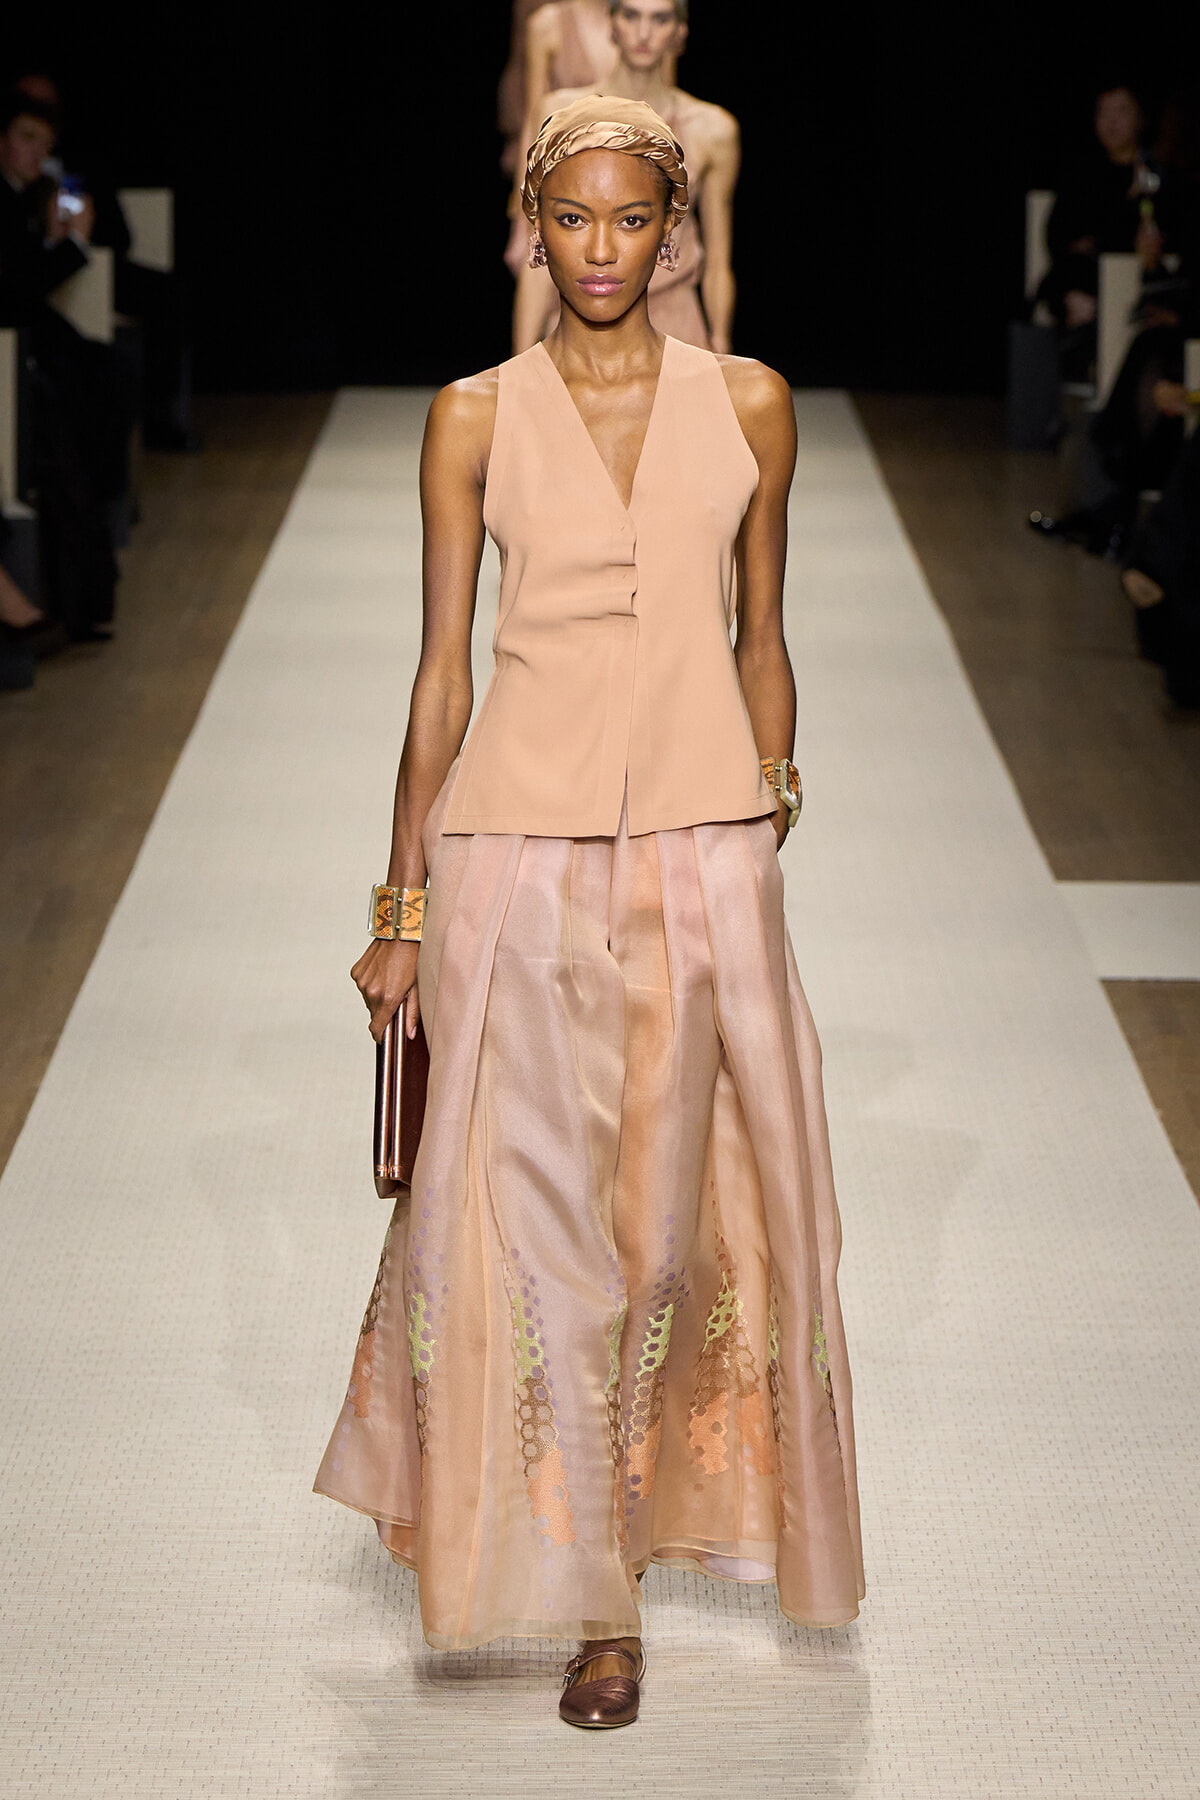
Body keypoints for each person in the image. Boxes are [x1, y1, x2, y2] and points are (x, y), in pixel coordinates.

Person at [314, 95, 864, 1729]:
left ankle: (616, 1544)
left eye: (635, 221)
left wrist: (767, 804)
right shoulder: (470, 418)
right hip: (511, 858)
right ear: (532, 230)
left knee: (671, 1224)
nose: (606, 251)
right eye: (578, 221)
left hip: (699, 856)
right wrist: (402, 904)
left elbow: (765, 632)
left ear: (674, 230)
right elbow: (438, 676)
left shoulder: (752, 406)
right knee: (527, 1224)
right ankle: (599, 1600)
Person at [513, 0, 737, 355]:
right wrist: (519, 362)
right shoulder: (559, 115)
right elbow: (538, 252)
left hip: (675, 326)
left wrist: (722, 349)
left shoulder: (712, 130)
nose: (644, 33)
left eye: (660, 19)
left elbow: (719, 261)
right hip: (579, 318)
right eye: (632, 15)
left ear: (680, 33)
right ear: (612, 25)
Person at [0, 89, 124, 641]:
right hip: (21, 362)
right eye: (26, 139)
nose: (35, 154)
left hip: (33, 354)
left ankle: (82, 599)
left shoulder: (24, 200)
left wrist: (59, 240)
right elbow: (14, 291)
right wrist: (68, 246)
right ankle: (78, 603)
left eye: (44, 145)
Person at [1035, 83, 1149, 380]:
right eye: (1104, 112)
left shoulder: (1152, 174)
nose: (1112, 122)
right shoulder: (1082, 173)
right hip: (1076, 281)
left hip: (1131, 282)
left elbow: (1129, 238)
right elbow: (1058, 234)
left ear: (1140, 118)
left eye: (1122, 111)